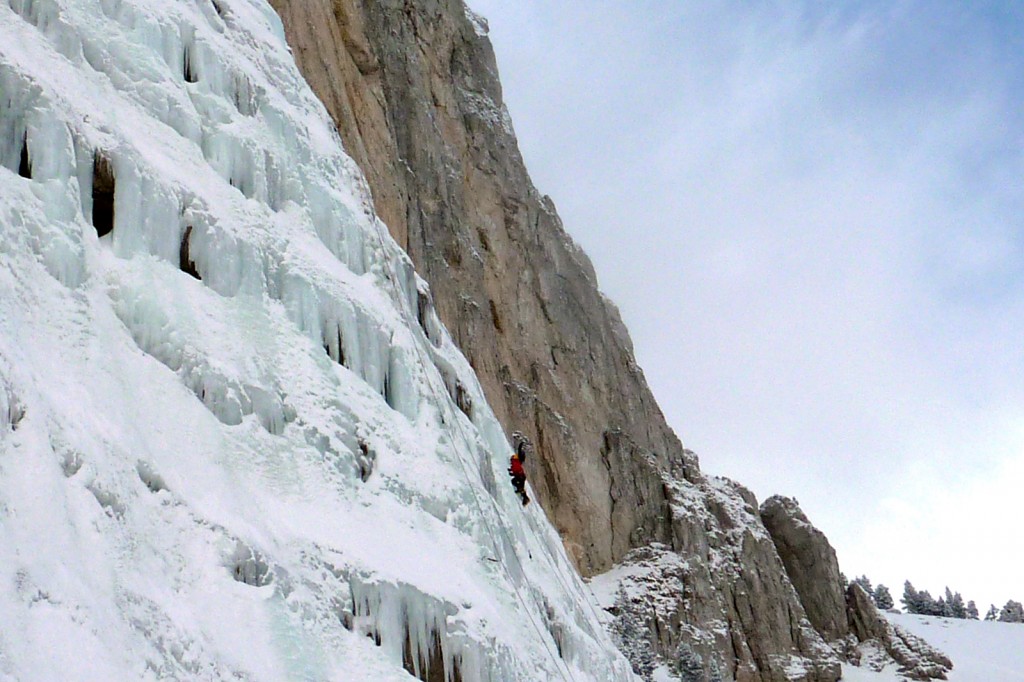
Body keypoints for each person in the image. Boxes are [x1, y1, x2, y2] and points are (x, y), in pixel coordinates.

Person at [508, 434, 530, 506]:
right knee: (515, 482)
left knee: (519, 485)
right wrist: (511, 471)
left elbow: (519, 450)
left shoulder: (517, 461)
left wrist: (521, 444)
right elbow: (514, 470)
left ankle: (525, 498)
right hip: (520, 476)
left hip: (520, 476)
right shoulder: (515, 463)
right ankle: (523, 496)